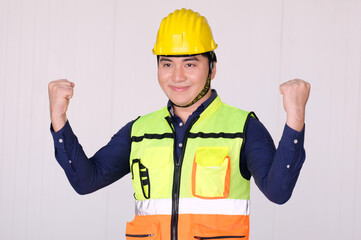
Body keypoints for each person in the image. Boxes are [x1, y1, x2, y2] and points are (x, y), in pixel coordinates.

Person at [48, 8, 310, 240]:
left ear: (212, 69)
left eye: (190, 63)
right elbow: (86, 181)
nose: (177, 76)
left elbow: (278, 192)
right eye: (167, 63)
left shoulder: (243, 127)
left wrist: (295, 117)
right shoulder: (139, 131)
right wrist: (59, 120)